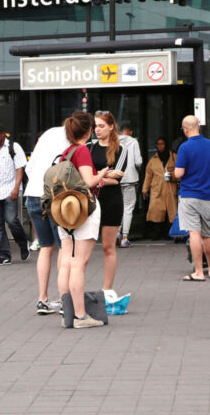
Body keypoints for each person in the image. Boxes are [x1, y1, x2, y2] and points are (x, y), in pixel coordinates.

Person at [55, 111, 112, 328]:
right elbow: (89, 181)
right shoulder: (82, 151)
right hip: (83, 211)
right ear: (88, 131)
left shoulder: (65, 153)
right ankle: (81, 316)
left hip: (63, 211)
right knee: (79, 263)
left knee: (67, 263)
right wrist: (103, 174)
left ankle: (67, 313)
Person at [24, 125, 68, 315]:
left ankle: (42, 299)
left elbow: (29, 167)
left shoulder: (48, 133)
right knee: (63, 248)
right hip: (54, 196)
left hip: (33, 193)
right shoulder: (73, 140)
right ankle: (63, 299)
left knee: (45, 247)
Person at [173, 115, 210, 282]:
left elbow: (179, 173)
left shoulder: (184, 148)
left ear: (185, 129)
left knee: (194, 233)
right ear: (198, 126)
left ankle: (199, 272)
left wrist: (173, 173)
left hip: (190, 195)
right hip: (209, 196)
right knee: (208, 234)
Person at [89, 112, 127, 290]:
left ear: (111, 127)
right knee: (85, 247)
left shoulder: (120, 149)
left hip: (111, 201)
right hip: (90, 200)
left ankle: (107, 289)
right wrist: (106, 174)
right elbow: (85, 175)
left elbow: (118, 178)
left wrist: (98, 177)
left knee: (108, 247)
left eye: (101, 126)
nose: (97, 129)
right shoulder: (89, 148)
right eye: (95, 126)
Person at [0, 123, 29, 266]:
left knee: (11, 220)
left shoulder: (14, 147)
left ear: (3, 134)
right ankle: (4, 255)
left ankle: (22, 243)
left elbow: (20, 169)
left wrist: (16, 189)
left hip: (9, 190)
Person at [142, 137, 177, 240]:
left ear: (166, 145)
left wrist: (172, 176)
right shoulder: (153, 160)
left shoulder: (174, 157)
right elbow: (148, 175)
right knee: (156, 212)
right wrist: (145, 189)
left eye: (162, 144)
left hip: (170, 188)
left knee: (171, 213)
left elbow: (181, 172)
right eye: (158, 144)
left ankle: (169, 233)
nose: (160, 146)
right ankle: (156, 233)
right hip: (157, 189)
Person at [116, 121, 142, 248]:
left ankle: (116, 232)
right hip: (130, 179)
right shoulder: (134, 142)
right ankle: (125, 237)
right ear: (130, 132)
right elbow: (138, 161)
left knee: (119, 207)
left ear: (121, 131)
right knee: (128, 208)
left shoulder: (114, 141)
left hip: (116, 178)